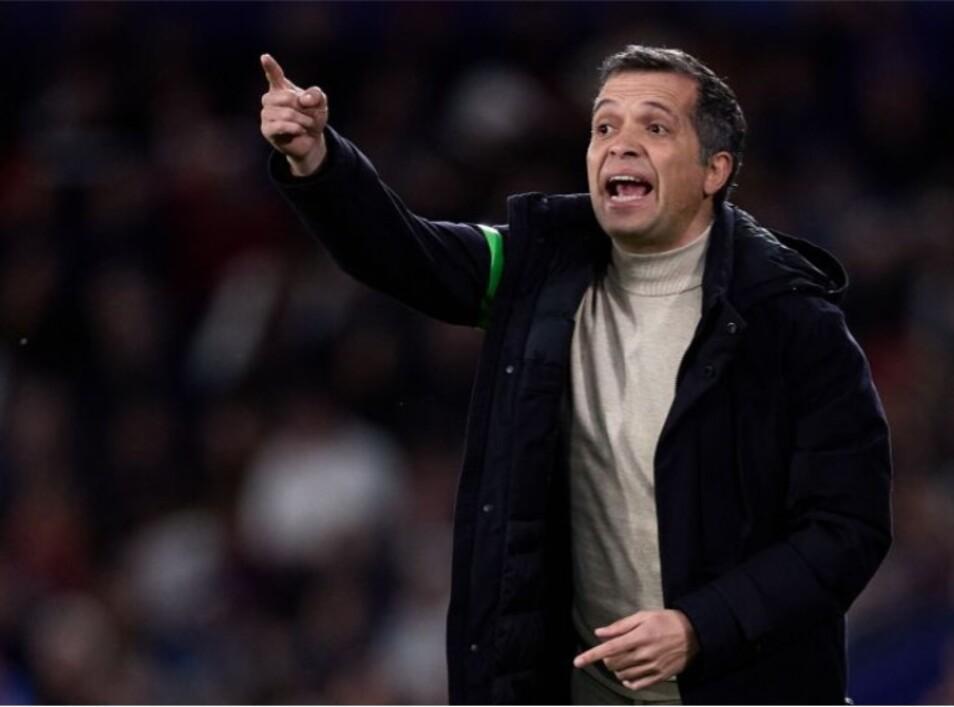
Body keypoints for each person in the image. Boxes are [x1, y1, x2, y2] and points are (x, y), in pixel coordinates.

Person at [260, 45, 893, 705]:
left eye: (653, 127)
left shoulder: (792, 321)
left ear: (715, 169)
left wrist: (700, 626)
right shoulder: (541, 272)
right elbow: (407, 253)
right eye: (604, 126)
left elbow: (847, 529)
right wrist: (318, 159)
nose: (620, 145)